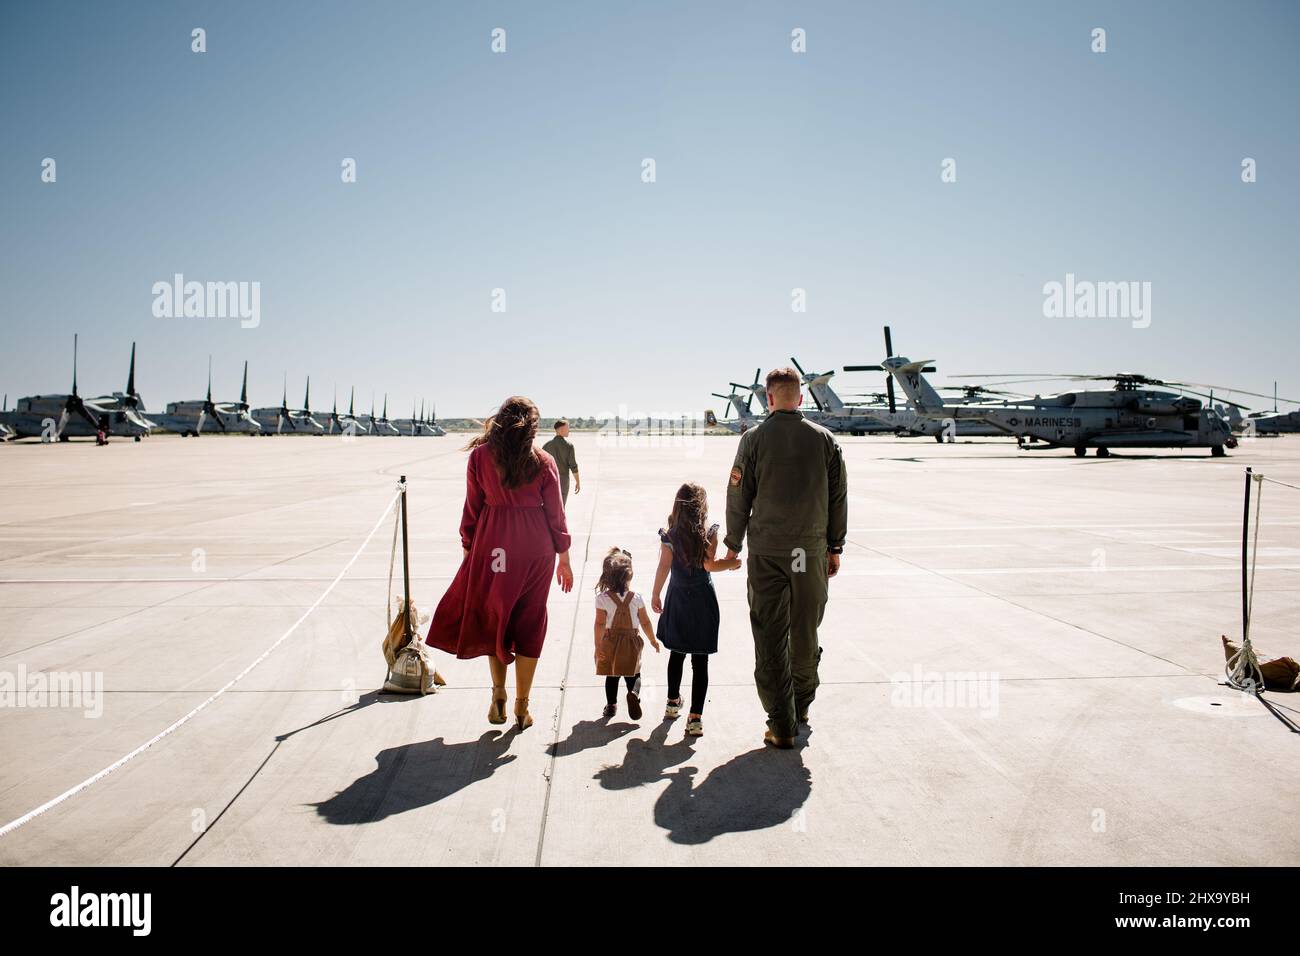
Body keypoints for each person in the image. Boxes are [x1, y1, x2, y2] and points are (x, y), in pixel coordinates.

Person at [426, 396, 574, 730]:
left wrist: (468, 547)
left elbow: (472, 507)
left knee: (498, 617)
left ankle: (498, 695)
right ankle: (523, 706)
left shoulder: (480, 457)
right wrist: (564, 557)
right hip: (536, 549)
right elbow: (556, 515)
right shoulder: (544, 460)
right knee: (530, 621)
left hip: (495, 547)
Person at [723, 367, 848, 749]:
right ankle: (802, 704)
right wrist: (835, 546)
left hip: (768, 554)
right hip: (806, 554)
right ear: (802, 399)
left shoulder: (754, 440)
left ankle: (781, 723)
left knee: (770, 634)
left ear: (770, 399)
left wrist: (732, 544)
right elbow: (838, 498)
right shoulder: (826, 441)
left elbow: (738, 496)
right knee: (805, 631)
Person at [651, 483, 740, 737]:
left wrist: (656, 593)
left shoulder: (670, 536)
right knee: (700, 661)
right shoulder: (709, 533)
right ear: (702, 508)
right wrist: (732, 563)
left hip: (678, 597)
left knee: (676, 654)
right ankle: (695, 717)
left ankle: (671, 703)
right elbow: (710, 565)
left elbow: (663, 567)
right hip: (702, 599)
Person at [594, 547, 660, 719]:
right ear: (629, 576)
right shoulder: (636, 598)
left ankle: (611, 705)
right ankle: (634, 694)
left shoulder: (602, 599)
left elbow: (599, 623)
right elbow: (645, 621)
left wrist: (598, 645)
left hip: (611, 640)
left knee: (612, 674)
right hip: (631, 641)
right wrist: (652, 639)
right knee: (635, 674)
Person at [541, 419, 580, 504]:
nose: (569, 430)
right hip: (563, 481)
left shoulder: (546, 446)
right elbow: (573, 466)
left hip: (549, 481)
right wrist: (577, 481)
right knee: (561, 507)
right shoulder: (569, 446)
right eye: (567, 428)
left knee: (550, 507)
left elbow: (541, 466)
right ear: (560, 430)